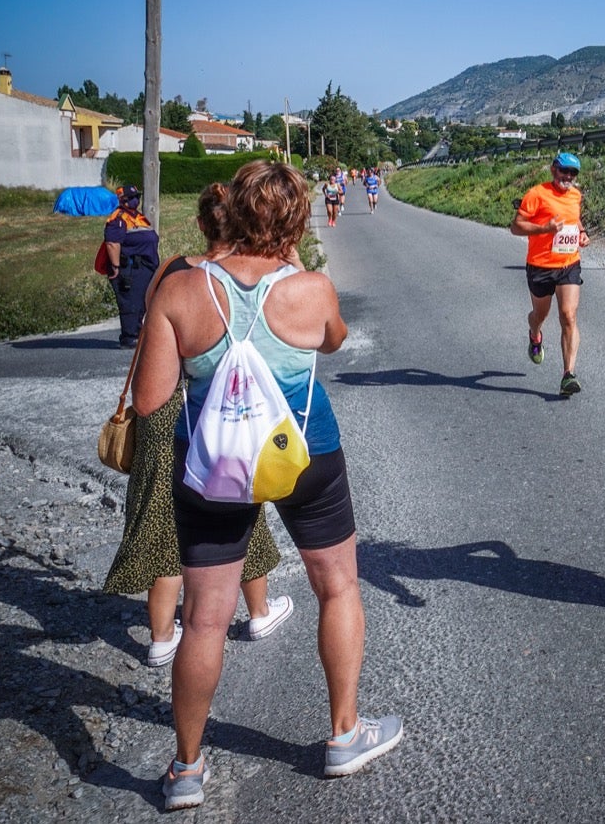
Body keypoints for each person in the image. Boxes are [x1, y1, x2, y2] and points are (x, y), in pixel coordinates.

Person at [134, 162, 401, 809]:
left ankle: (187, 770)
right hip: (306, 457)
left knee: (204, 620)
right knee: (336, 586)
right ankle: (343, 733)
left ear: (229, 212)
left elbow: (149, 404)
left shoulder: (181, 291)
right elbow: (331, 343)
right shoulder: (311, 288)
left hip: (213, 467)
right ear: (294, 219)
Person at [104, 183, 293, 667]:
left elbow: (151, 330)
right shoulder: (241, 277)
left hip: (160, 408)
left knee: (164, 520)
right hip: (213, 409)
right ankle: (257, 611)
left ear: (201, 224)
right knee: (234, 509)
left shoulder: (171, 272)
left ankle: (162, 636)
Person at [510, 152, 591, 396]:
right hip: (540, 266)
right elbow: (516, 226)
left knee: (568, 315)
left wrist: (582, 232)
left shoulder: (576, 195)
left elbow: (573, 219)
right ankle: (535, 335)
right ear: (554, 170)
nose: (568, 176)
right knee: (540, 314)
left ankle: (569, 374)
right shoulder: (537, 194)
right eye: (564, 170)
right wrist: (544, 228)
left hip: (568, 264)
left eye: (573, 173)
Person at [103, 185, 160, 348]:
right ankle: (129, 337)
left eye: (137, 197)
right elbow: (112, 243)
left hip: (145, 268)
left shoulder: (138, 217)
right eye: (132, 198)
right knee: (130, 303)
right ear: (123, 200)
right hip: (129, 268)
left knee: (143, 302)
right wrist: (115, 267)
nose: (136, 200)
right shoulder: (117, 218)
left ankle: (140, 333)